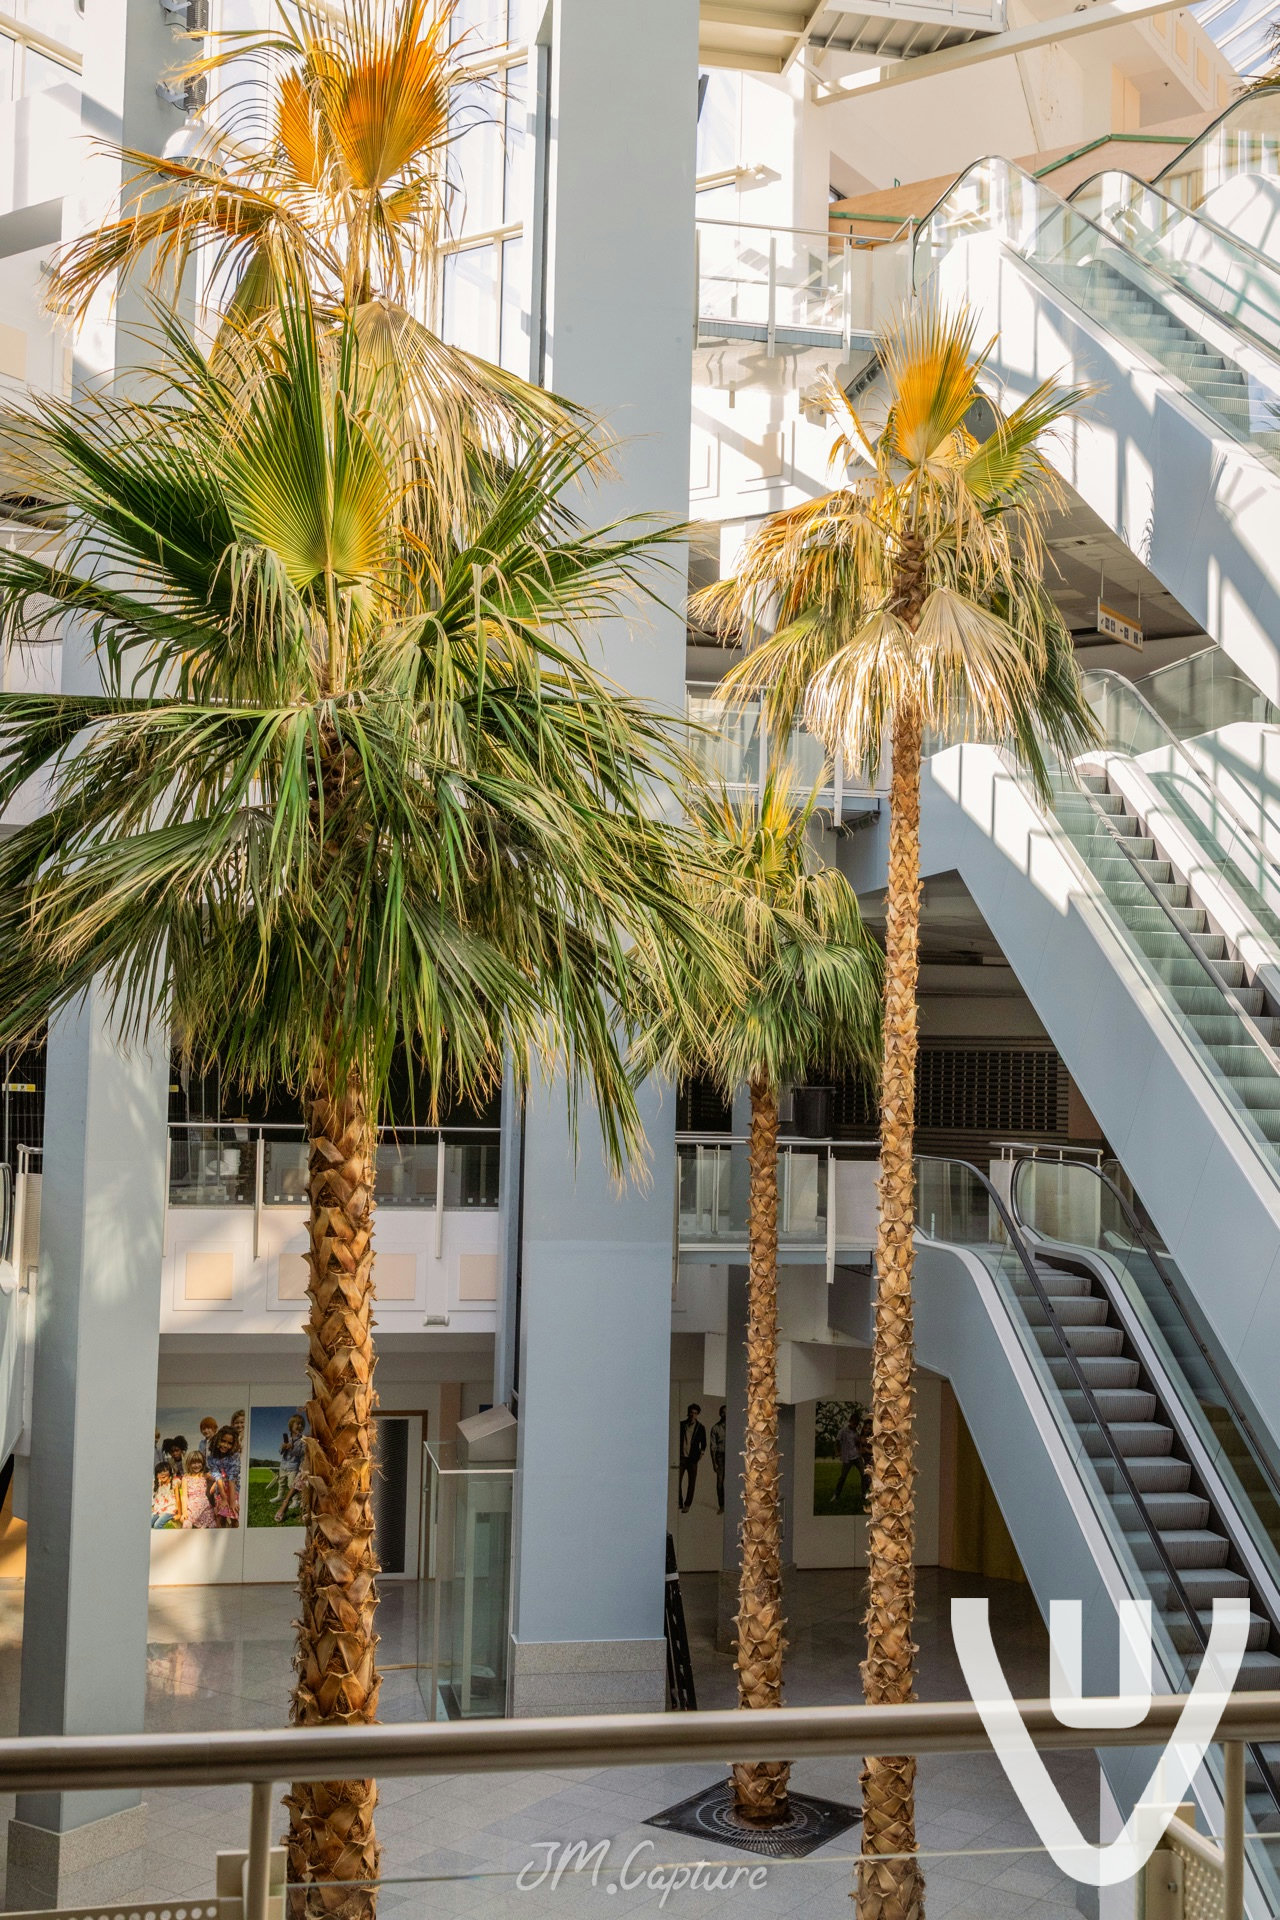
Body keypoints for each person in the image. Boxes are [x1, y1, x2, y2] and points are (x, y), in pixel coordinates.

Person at [274, 1414, 306, 1524]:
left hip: (293, 1466)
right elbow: (280, 1452)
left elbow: (302, 1452)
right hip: (284, 1465)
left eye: (302, 1424)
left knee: (291, 1484)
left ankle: (294, 1501)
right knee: (281, 1482)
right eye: (297, 1423)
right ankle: (279, 1496)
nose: (300, 1426)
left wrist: (292, 1448)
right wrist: (283, 1448)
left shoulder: (302, 1440)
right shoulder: (287, 1438)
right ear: (291, 1425)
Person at [207, 1426, 240, 1526]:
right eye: (223, 1441)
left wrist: (232, 1500)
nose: (225, 1445)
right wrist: (224, 1498)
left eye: (229, 1443)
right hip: (220, 1489)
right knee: (221, 1515)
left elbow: (232, 1478)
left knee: (234, 1514)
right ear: (218, 1439)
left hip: (232, 1489)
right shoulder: (212, 1457)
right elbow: (218, 1477)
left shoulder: (234, 1456)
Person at [678, 1404, 706, 1513]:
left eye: (695, 1413)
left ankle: (687, 1504)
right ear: (688, 1412)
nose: (692, 1414)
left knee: (691, 1483)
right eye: (691, 1412)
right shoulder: (681, 1425)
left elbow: (703, 1444)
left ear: (697, 1414)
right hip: (681, 1458)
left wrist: (700, 1456)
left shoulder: (700, 1427)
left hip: (692, 1459)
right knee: (678, 1481)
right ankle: (679, 1503)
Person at [834, 1409, 864, 1504]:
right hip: (847, 1458)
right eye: (854, 1423)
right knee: (843, 1477)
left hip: (857, 1457)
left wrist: (859, 1449)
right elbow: (837, 1441)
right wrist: (838, 1452)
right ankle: (836, 1495)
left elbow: (858, 1443)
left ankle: (864, 1494)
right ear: (850, 1421)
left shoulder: (856, 1432)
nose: (855, 1425)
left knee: (864, 1475)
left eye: (857, 1424)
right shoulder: (843, 1431)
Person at [180, 1450, 216, 1529]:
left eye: (199, 1462)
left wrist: (214, 1486)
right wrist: (184, 1511)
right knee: (186, 1524)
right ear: (189, 1464)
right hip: (192, 1507)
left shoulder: (205, 1475)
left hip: (205, 1506)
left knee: (213, 1526)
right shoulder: (186, 1478)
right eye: (193, 1463)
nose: (196, 1465)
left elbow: (220, 1478)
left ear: (202, 1463)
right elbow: (184, 1496)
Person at [709, 1406, 727, 1514]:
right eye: (723, 1412)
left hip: (732, 1457)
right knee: (720, 1482)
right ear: (720, 1414)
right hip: (720, 1457)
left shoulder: (733, 1427)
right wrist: (714, 1463)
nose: (725, 1415)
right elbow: (713, 1447)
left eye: (727, 1412)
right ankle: (722, 1506)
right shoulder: (715, 1428)